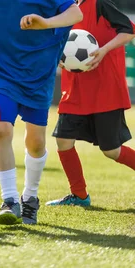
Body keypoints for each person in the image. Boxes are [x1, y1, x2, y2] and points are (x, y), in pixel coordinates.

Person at [0, 0, 83, 225]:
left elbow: (76, 13)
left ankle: (30, 197)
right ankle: (10, 200)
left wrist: (46, 23)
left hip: (38, 72)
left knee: (36, 143)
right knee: (1, 130)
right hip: (1, 70)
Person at [47, 0, 135, 207]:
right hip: (75, 91)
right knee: (63, 140)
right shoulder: (64, 8)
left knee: (111, 150)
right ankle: (79, 195)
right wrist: (59, 57)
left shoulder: (99, 4)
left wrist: (103, 50)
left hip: (105, 90)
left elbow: (129, 31)